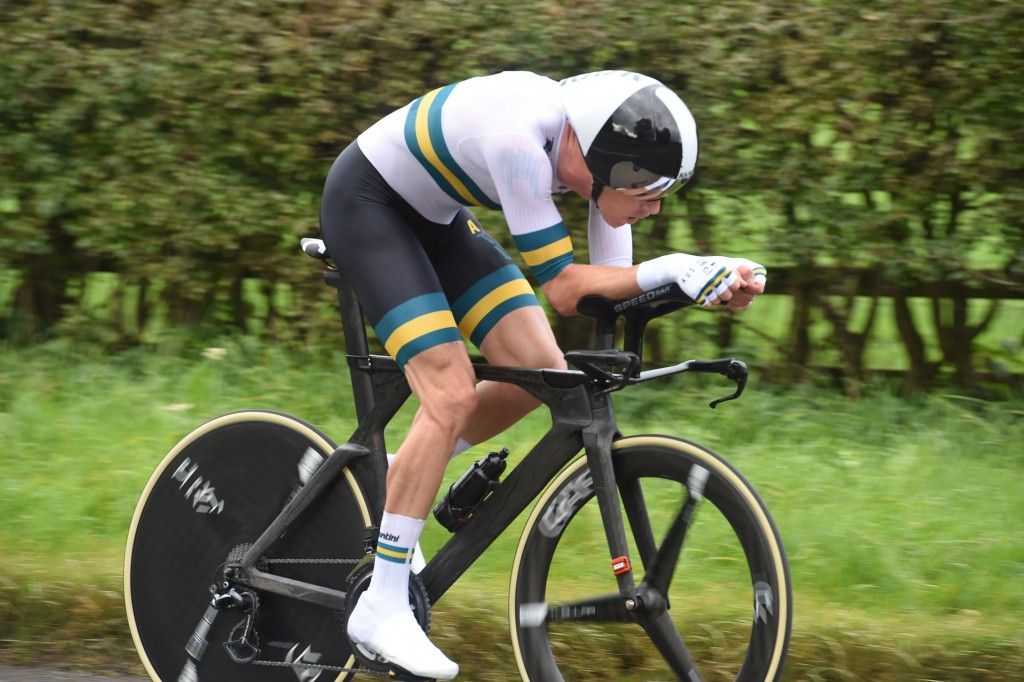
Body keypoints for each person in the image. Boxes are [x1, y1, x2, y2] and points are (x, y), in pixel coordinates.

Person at [318, 69, 766, 679]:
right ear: (608, 161)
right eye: (647, 188)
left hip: (434, 220)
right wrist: (675, 267)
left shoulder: (597, 175)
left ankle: (399, 483)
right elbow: (563, 290)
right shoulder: (520, 143)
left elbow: (608, 295)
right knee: (447, 394)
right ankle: (381, 605)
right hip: (367, 207)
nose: (654, 206)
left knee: (540, 371)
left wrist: (706, 282)